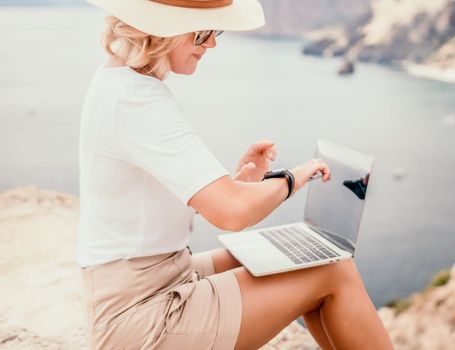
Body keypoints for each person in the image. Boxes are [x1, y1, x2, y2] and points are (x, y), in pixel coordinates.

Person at [78, 0, 395, 349]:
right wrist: (293, 178)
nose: (211, 43)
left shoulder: (120, 83)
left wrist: (239, 185)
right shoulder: (137, 99)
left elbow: (162, 200)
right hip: (142, 316)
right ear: (161, 29)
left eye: (215, 31)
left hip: (151, 280)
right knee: (333, 270)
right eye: (202, 32)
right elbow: (231, 213)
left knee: (302, 255)